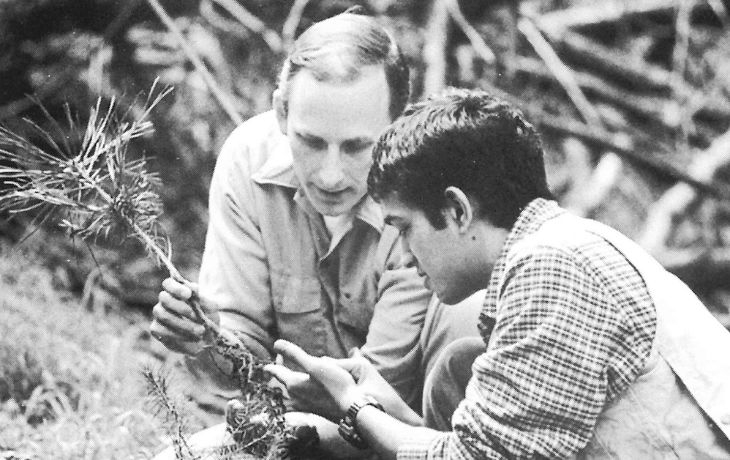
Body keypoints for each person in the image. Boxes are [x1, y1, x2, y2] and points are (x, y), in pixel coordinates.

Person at [267, 88, 730, 458]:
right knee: (460, 368)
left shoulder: (554, 265)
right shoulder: (560, 245)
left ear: (456, 209)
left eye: (405, 229)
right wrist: (379, 404)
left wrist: (354, 406)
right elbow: (475, 447)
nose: (405, 257)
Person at [149, 7, 481, 419]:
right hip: (294, 416)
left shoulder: (421, 197)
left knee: (471, 314)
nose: (329, 175)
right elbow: (238, 366)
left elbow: (378, 387)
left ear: (397, 125)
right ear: (282, 113)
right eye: (311, 141)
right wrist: (206, 338)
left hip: (407, 426)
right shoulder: (247, 161)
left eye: (358, 147)